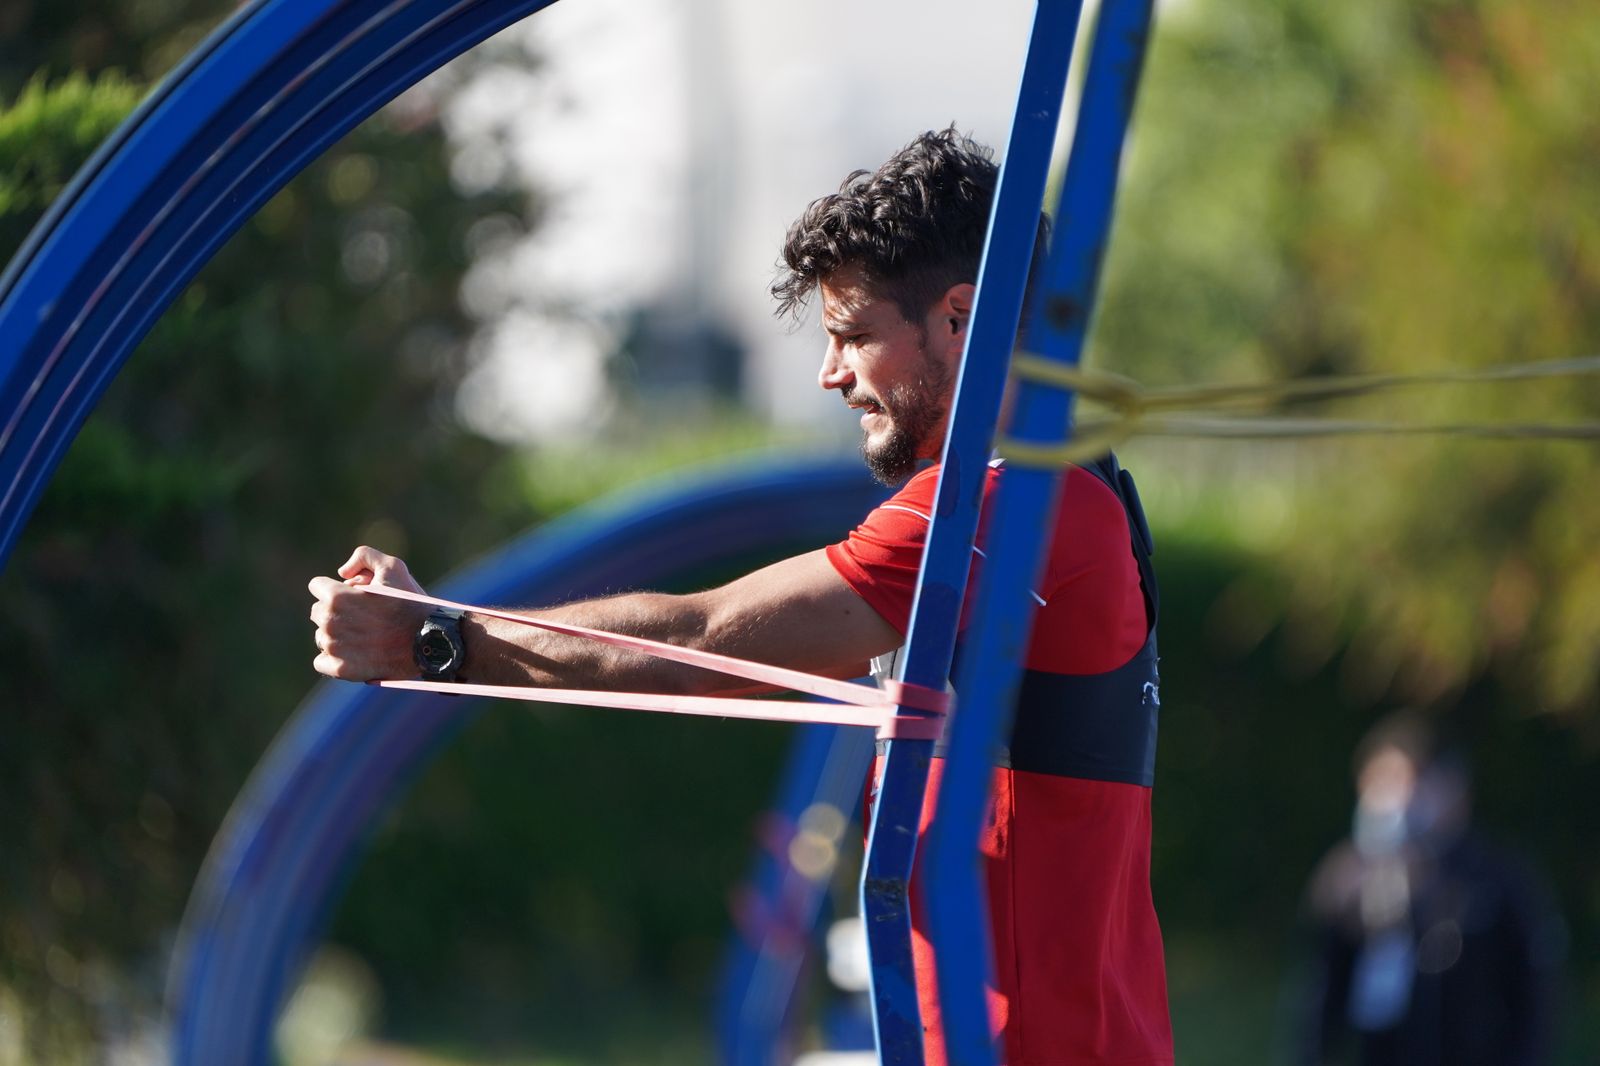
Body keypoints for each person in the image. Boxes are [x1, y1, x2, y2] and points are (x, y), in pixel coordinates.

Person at [309, 128, 1172, 1065]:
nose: (830, 373)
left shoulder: (1009, 506)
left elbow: (709, 639)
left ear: (961, 318)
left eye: (852, 335)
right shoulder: (1051, 489)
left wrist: (436, 641)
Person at [1295, 713, 1563, 1066]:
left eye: (1405, 780)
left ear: (1451, 786)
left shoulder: (1497, 881)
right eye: (1377, 782)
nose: (1390, 798)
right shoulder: (1346, 878)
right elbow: (1319, 992)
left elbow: (1534, 997)